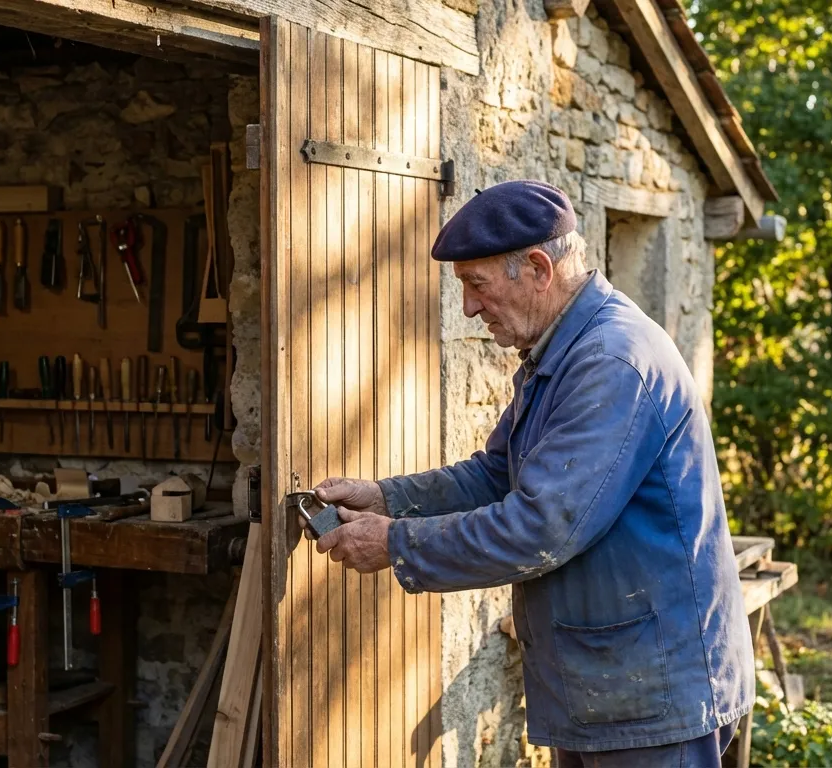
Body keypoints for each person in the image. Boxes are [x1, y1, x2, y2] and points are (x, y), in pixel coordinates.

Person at [309, 180, 753, 766]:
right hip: (611, 684)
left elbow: (542, 525)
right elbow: (497, 476)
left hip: (653, 694)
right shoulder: (562, 352)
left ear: (539, 268)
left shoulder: (609, 361)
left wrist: (394, 542)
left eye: (475, 284)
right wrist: (384, 498)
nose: (467, 306)